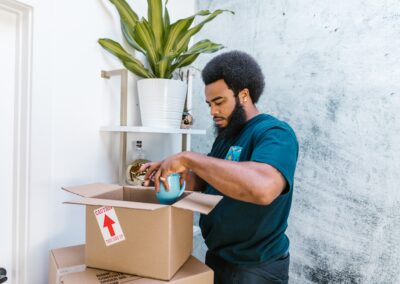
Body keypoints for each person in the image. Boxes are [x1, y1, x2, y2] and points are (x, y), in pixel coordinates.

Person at [140, 50, 299, 284]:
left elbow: (263, 189)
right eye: (208, 104)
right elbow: (207, 181)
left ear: (244, 95)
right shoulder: (226, 137)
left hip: (255, 269)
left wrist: (188, 157)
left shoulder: (274, 133)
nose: (212, 111)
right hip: (218, 259)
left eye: (219, 102)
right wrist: (173, 175)